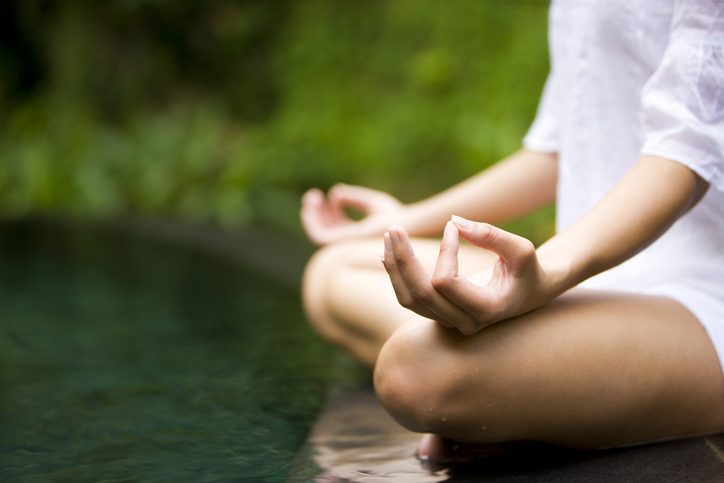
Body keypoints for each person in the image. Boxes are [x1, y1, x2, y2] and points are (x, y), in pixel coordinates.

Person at [300, 0, 724, 462]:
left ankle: (513, 388)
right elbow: (559, 148)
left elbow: (685, 156)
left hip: (701, 296)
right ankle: (526, 390)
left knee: (416, 373)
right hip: (595, 274)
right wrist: (405, 220)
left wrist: (547, 274)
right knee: (332, 270)